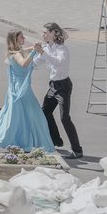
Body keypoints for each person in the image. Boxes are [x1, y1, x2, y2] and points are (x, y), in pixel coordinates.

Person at [0, 31, 56, 152]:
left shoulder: (17, 51)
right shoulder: (16, 54)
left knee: (21, 115)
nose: (24, 38)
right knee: (34, 115)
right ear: (15, 39)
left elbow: (27, 50)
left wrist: (38, 47)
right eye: (21, 37)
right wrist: (34, 51)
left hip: (19, 87)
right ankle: (30, 141)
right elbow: (24, 64)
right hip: (20, 89)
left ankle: (23, 140)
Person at [36, 22, 82, 159]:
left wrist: (43, 52)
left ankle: (77, 150)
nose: (43, 34)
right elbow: (36, 62)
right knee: (45, 112)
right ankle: (56, 140)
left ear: (53, 33)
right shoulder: (47, 48)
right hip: (53, 86)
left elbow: (59, 62)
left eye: (45, 32)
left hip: (63, 86)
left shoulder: (62, 49)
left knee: (65, 118)